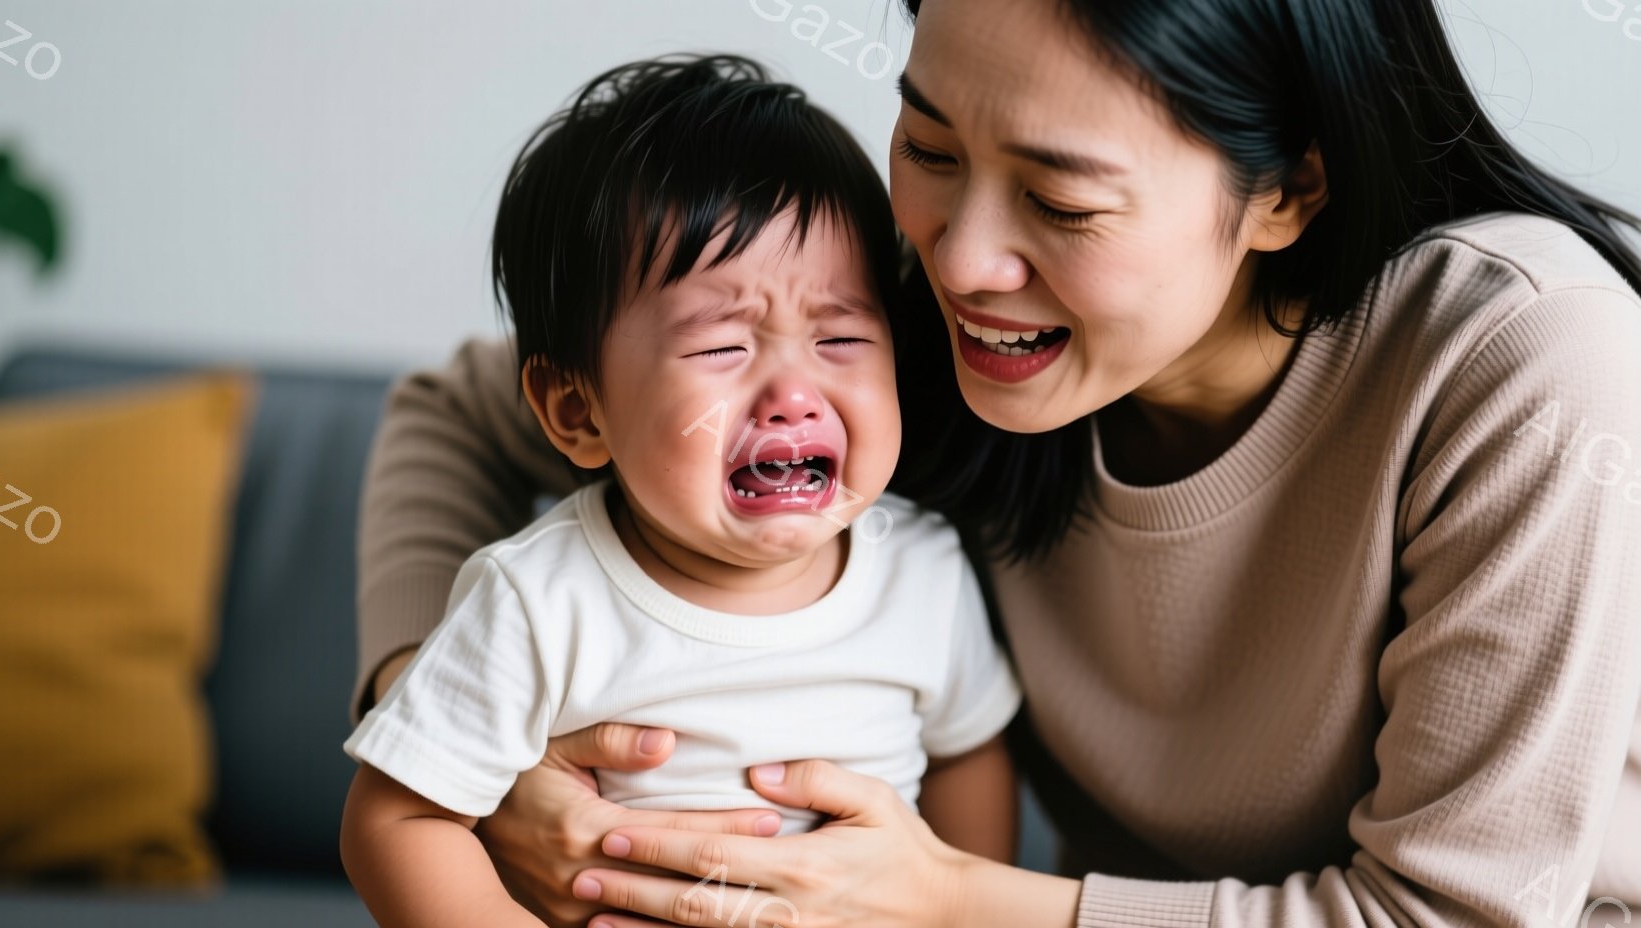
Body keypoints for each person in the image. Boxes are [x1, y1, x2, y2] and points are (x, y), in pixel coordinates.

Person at [351, 0, 1641, 925]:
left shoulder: (1524, 357)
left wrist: (953, 904)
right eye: (928, 146)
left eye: (1061, 202)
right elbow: (457, 411)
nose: (961, 260)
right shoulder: (876, 336)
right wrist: (449, 736)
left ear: (1286, 190)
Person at [337, 55, 1023, 928]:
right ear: (578, 409)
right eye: (721, 348)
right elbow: (395, 819)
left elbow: (968, 756)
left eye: (840, 337)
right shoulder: (537, 599)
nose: (793, 395)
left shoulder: (920, 569)